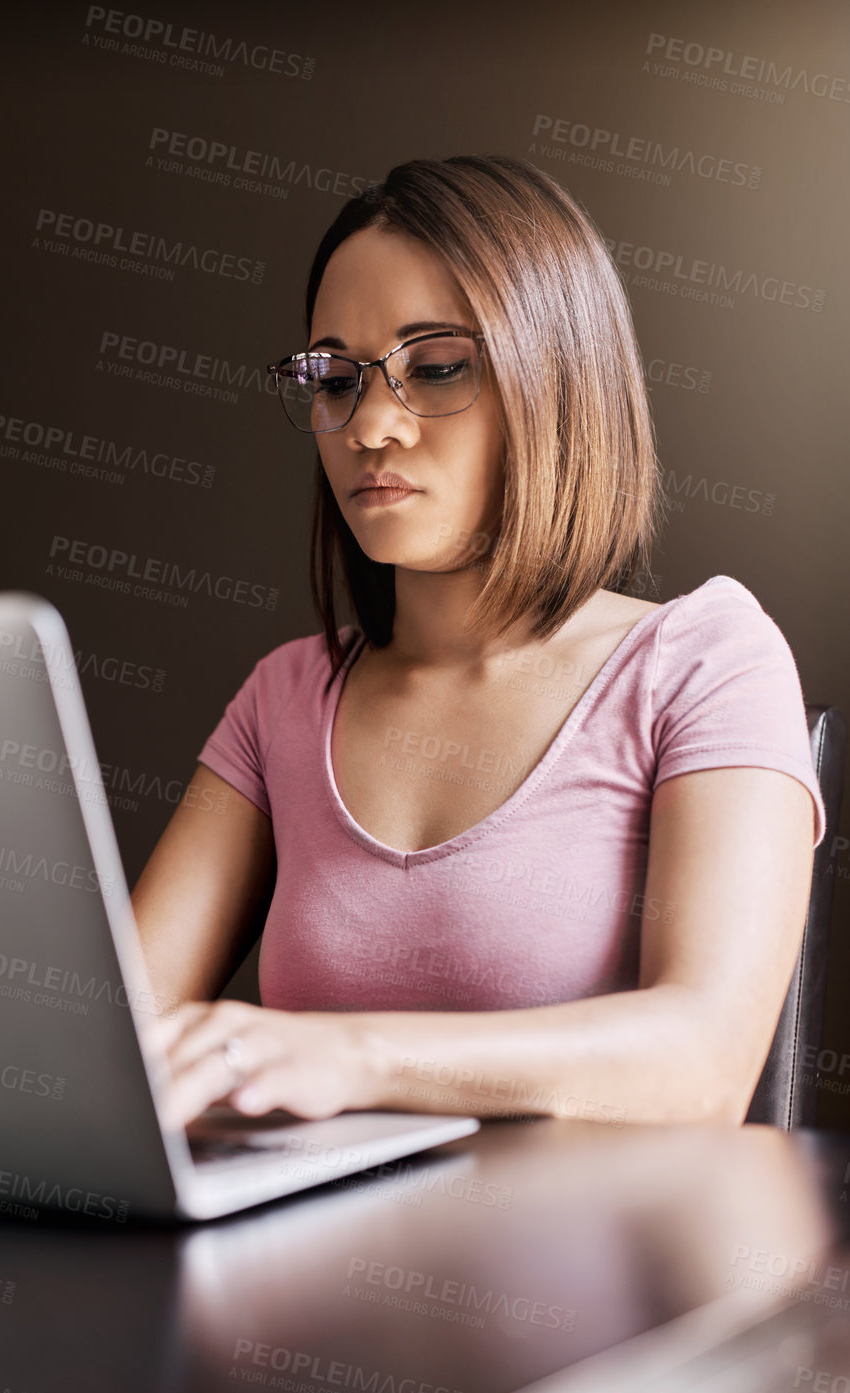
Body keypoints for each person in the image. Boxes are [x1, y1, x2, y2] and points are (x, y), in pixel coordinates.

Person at [131, 154, 825, 1134]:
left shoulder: (705, 659)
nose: (368, 425)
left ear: (555, 381)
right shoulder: (285, 694)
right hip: (295, 1271)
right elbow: (108, 1045)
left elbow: (702, 1063)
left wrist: (349, 1052)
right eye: (333, 378)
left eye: (437, 367)